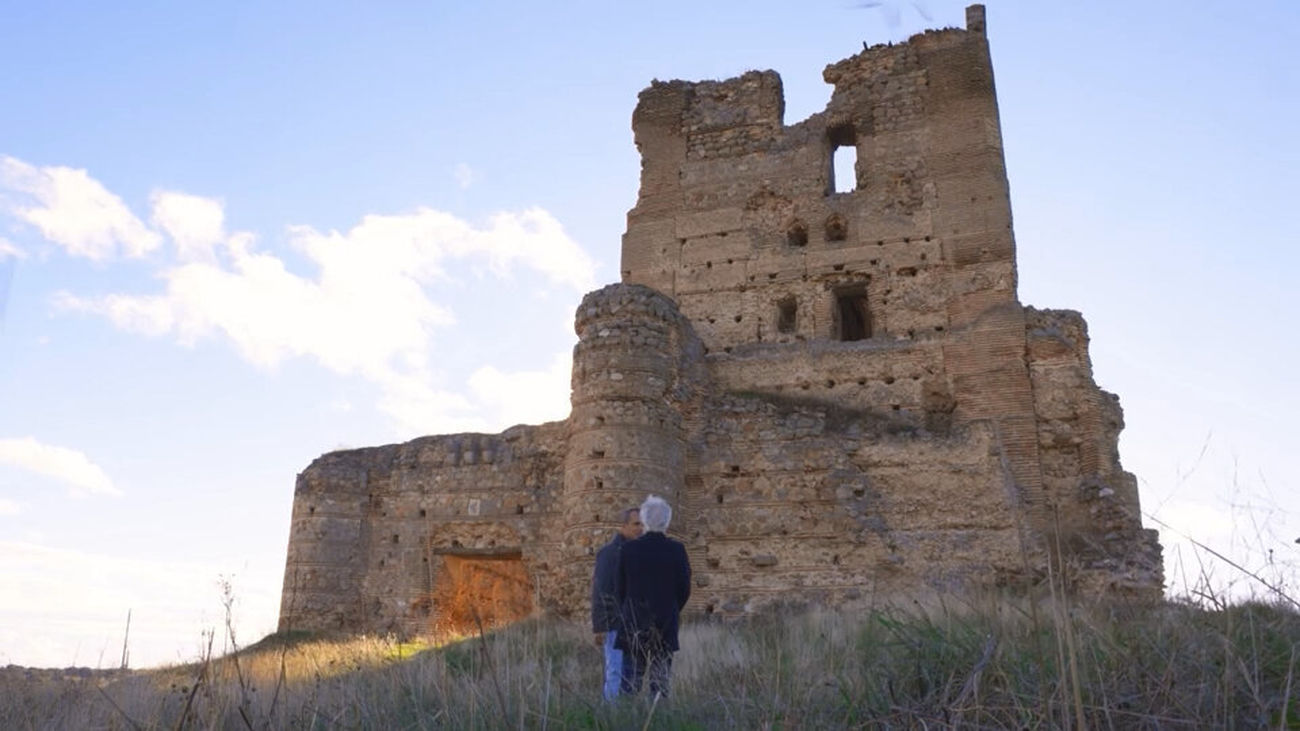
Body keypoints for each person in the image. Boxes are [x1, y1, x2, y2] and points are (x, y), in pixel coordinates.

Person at [616, 494, 691, 698]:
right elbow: (684, 588)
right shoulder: (677, 550)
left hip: (633, 624)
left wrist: (629, 609)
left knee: (629, 683)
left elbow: (619, 588)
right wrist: (672, 608)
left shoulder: (628, 549)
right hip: (665, 624)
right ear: (667, 522)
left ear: (645, 521)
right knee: (660, 685)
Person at [591, 506, 643, 700]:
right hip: (615, 625)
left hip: (636, 626)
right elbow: (600, 591)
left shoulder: (638, 553)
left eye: (643, 524)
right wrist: (600, 627)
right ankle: (612, 717)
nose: (641, 528)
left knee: (633, 675)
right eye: (636, 524)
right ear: (623, 526)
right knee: (615, 673)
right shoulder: (609, 553)